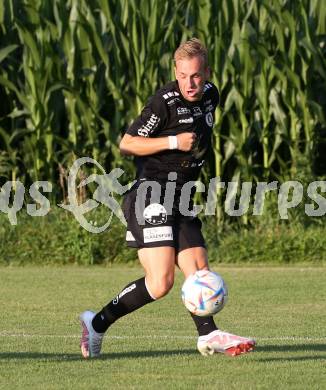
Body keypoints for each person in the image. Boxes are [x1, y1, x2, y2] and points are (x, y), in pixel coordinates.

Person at [79, 38, 255, 358]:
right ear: (176, 71)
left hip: (182, 195)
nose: (190, 82)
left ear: (207, 73)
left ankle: (209, 334)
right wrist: (173, 140)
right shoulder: (164, 101)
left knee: (200, 273)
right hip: (152, 193)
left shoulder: (211, 96)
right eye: (183, 75)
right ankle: (97, 323)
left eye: (197, 75)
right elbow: (129, 143)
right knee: (160, 283)